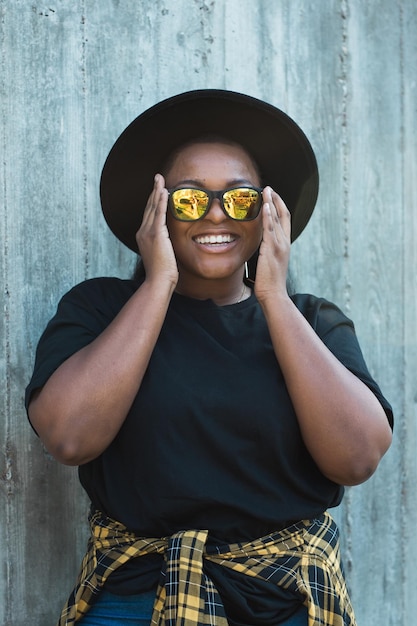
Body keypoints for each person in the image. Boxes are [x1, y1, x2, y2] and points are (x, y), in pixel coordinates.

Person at [26, 90, 393, 626]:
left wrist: (273, 296)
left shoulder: (313, 322)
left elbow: (357, 459)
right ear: (158, 210)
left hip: (283, 601)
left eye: (240, 198)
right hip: (135, 597)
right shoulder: (99, 310)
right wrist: (159, 283)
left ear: (267, 210)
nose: (217, 214)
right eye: (190, 199)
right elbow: (68, 438)